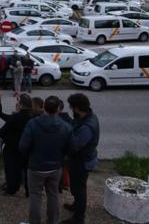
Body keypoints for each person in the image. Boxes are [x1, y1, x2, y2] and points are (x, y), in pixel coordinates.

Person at [20, 96, 72, 224]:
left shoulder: (33, 124)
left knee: (35, 196)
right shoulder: (65, 126)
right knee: (53, 195)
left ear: (44, 107)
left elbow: (23, 146)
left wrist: (30, 157)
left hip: (36, 167)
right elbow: (70, 148)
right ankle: (52, 221)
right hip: (55, 168)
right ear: (58, 109)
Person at [61, 94, 99, 224]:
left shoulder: (87, 127)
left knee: (79, 189)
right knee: (76, 187)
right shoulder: (87, 117)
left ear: (77, 108)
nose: (71, 110)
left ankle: (78, 218)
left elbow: (75, 145)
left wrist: (65, 136)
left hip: (82, 162)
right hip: (81, 159)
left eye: (72, 108)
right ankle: (76, 205)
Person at [0, 94, 34, 195]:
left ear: (20, 105)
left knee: (12, 170)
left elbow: (3, 130)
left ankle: (11, 189)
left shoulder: (15, 117)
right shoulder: (34, 117)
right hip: (29, 148)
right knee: (27, 170)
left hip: (13, 147)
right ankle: (28, 191)